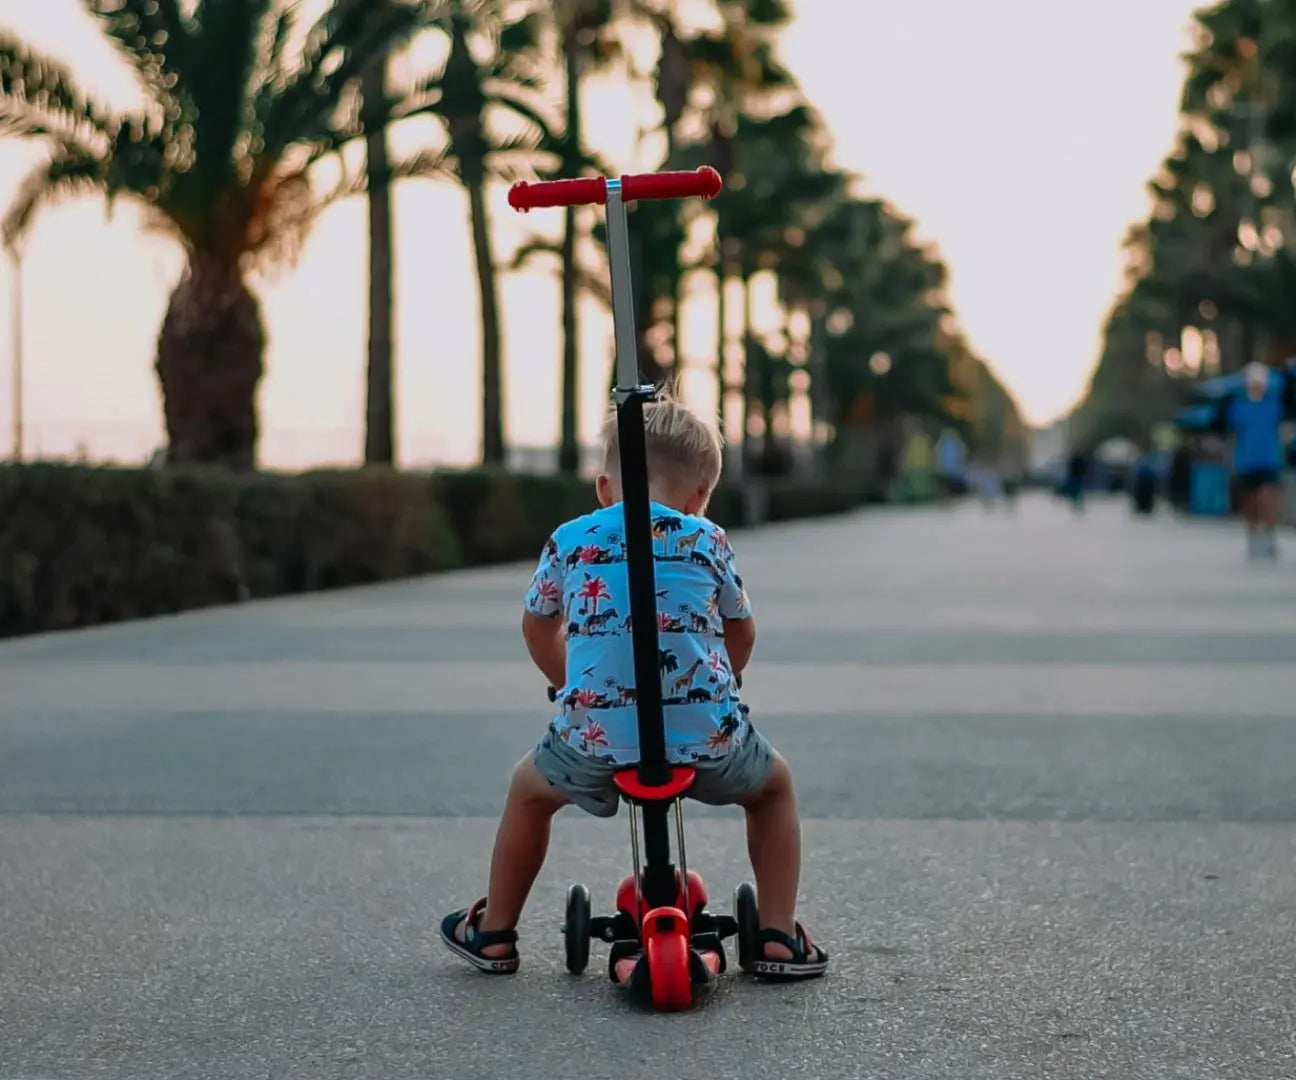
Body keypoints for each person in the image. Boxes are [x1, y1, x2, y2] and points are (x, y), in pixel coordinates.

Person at [439, 393, 828, 981]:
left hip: (595, 740)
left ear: (603, 489)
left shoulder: (569, 540)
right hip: (707, 738)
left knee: (528, 792)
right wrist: (726, 681)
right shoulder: (709, 540)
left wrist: (569, 683)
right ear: (701, 498)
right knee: (773, 788)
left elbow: (536, 624)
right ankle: (776, 935)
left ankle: (494, 931)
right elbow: (741, 632)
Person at [1212, 360, 1296, 558]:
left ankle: (1268, 535)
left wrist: (1289, 376)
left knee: (1267, 497)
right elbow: (1223, 424)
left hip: (1270, 459)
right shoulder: (1239, 406)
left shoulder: (1274, 404)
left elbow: (1290, 402)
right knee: (1250, 502)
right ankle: (1252, 534)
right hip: (1246, 460)